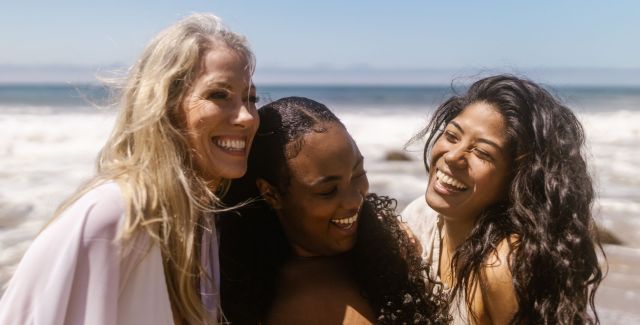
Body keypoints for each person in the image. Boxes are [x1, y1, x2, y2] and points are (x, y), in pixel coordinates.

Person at [0, 13, 258, 324]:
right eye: (219, 95)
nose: (246, 117)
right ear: (164, 105)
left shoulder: (198, 221)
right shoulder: (113, 218)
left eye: (251, 98)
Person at [218, 96, 449, 325]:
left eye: (358, 174)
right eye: (327, 190)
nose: (353, 201)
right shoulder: (299, 305)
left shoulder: (384, 245)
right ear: (271, 194)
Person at [402, 74, 604, 324]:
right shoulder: (419, 217)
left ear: (517, 180)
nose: (453, 156)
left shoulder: (502, 266)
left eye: (483, 152)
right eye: (452, 136)